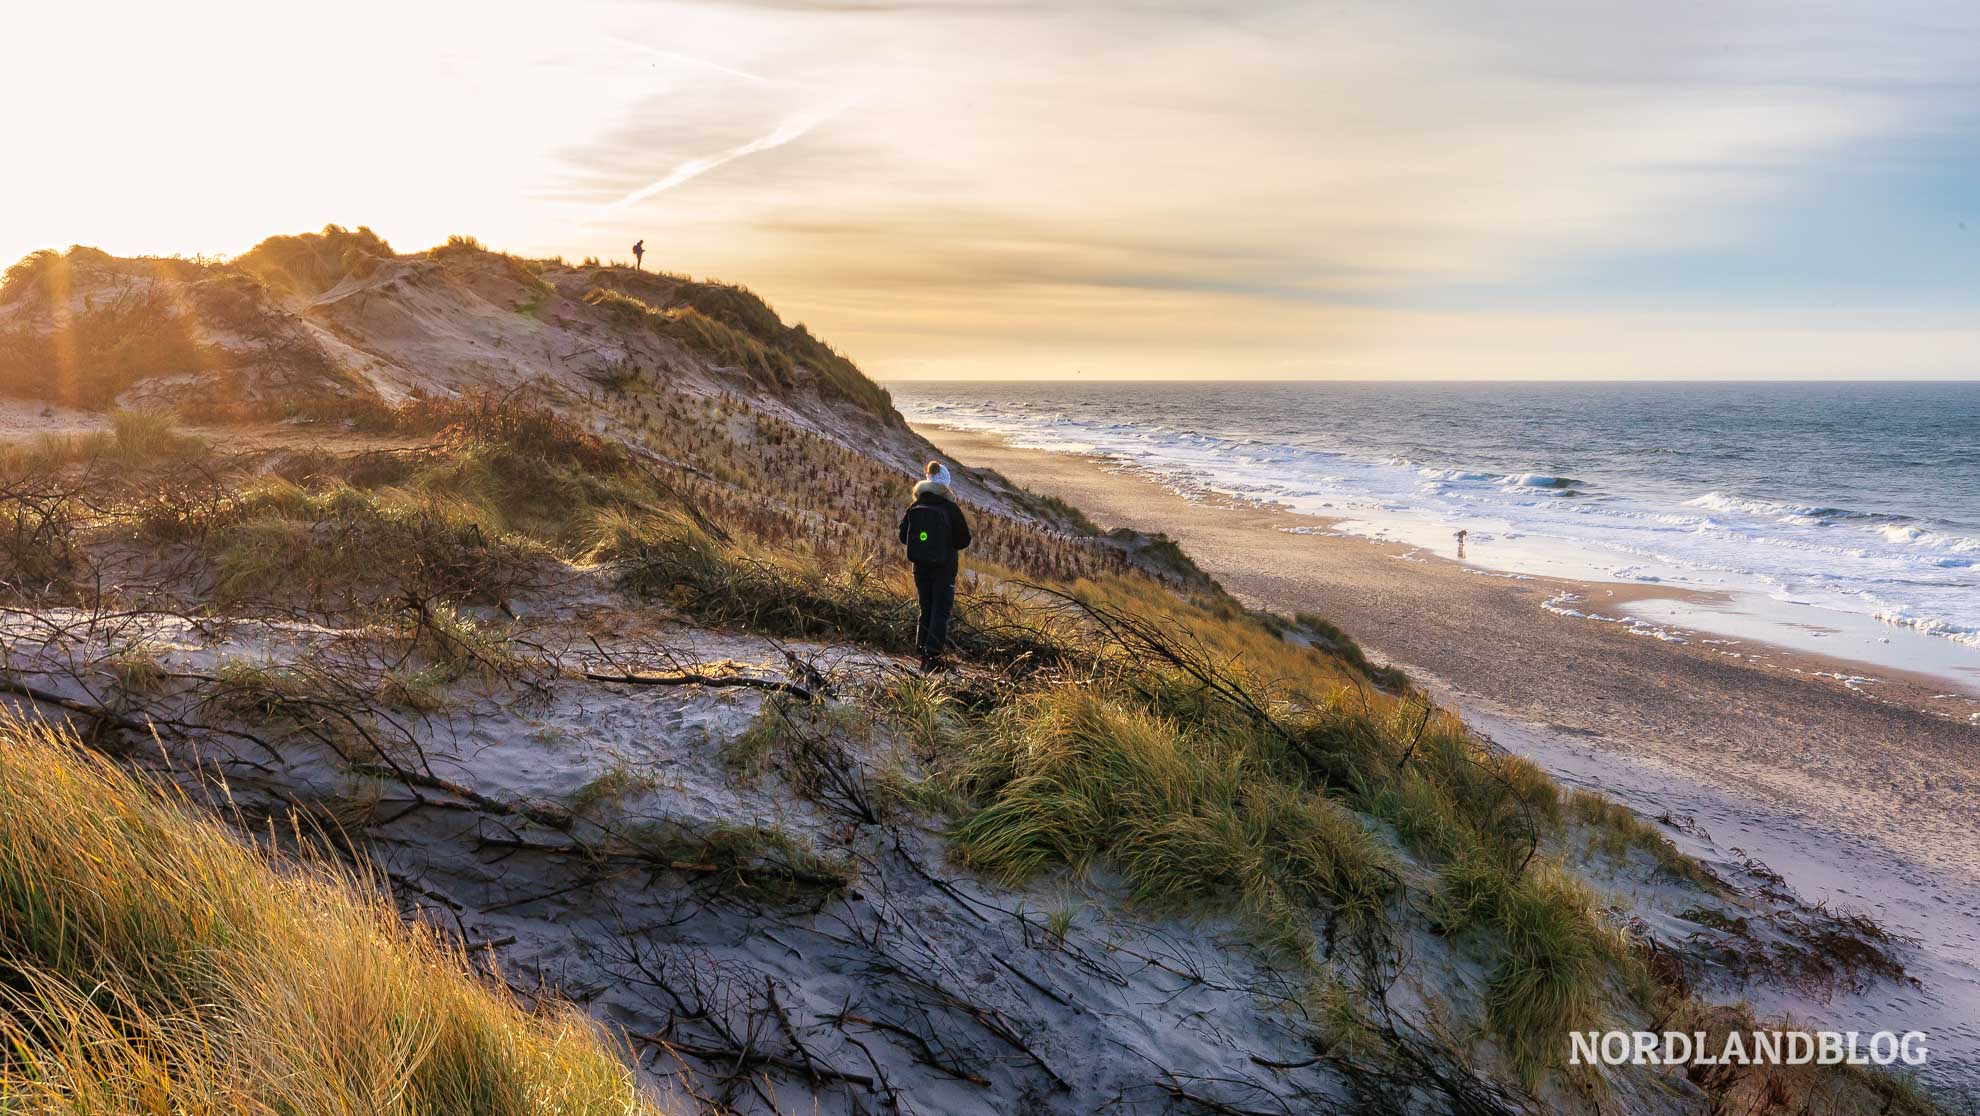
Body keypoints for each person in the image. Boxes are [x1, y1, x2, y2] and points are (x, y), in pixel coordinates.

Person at [898, 461, 971, 671]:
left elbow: (904, 536)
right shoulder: (950, 507)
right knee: (940, 610)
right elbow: (963, 540)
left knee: (926, 607)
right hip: (944, 567)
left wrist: (924, 542)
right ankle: (932, 656)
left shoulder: (916, 505)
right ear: (945, 485)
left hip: (920, 566)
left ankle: (922, 650)